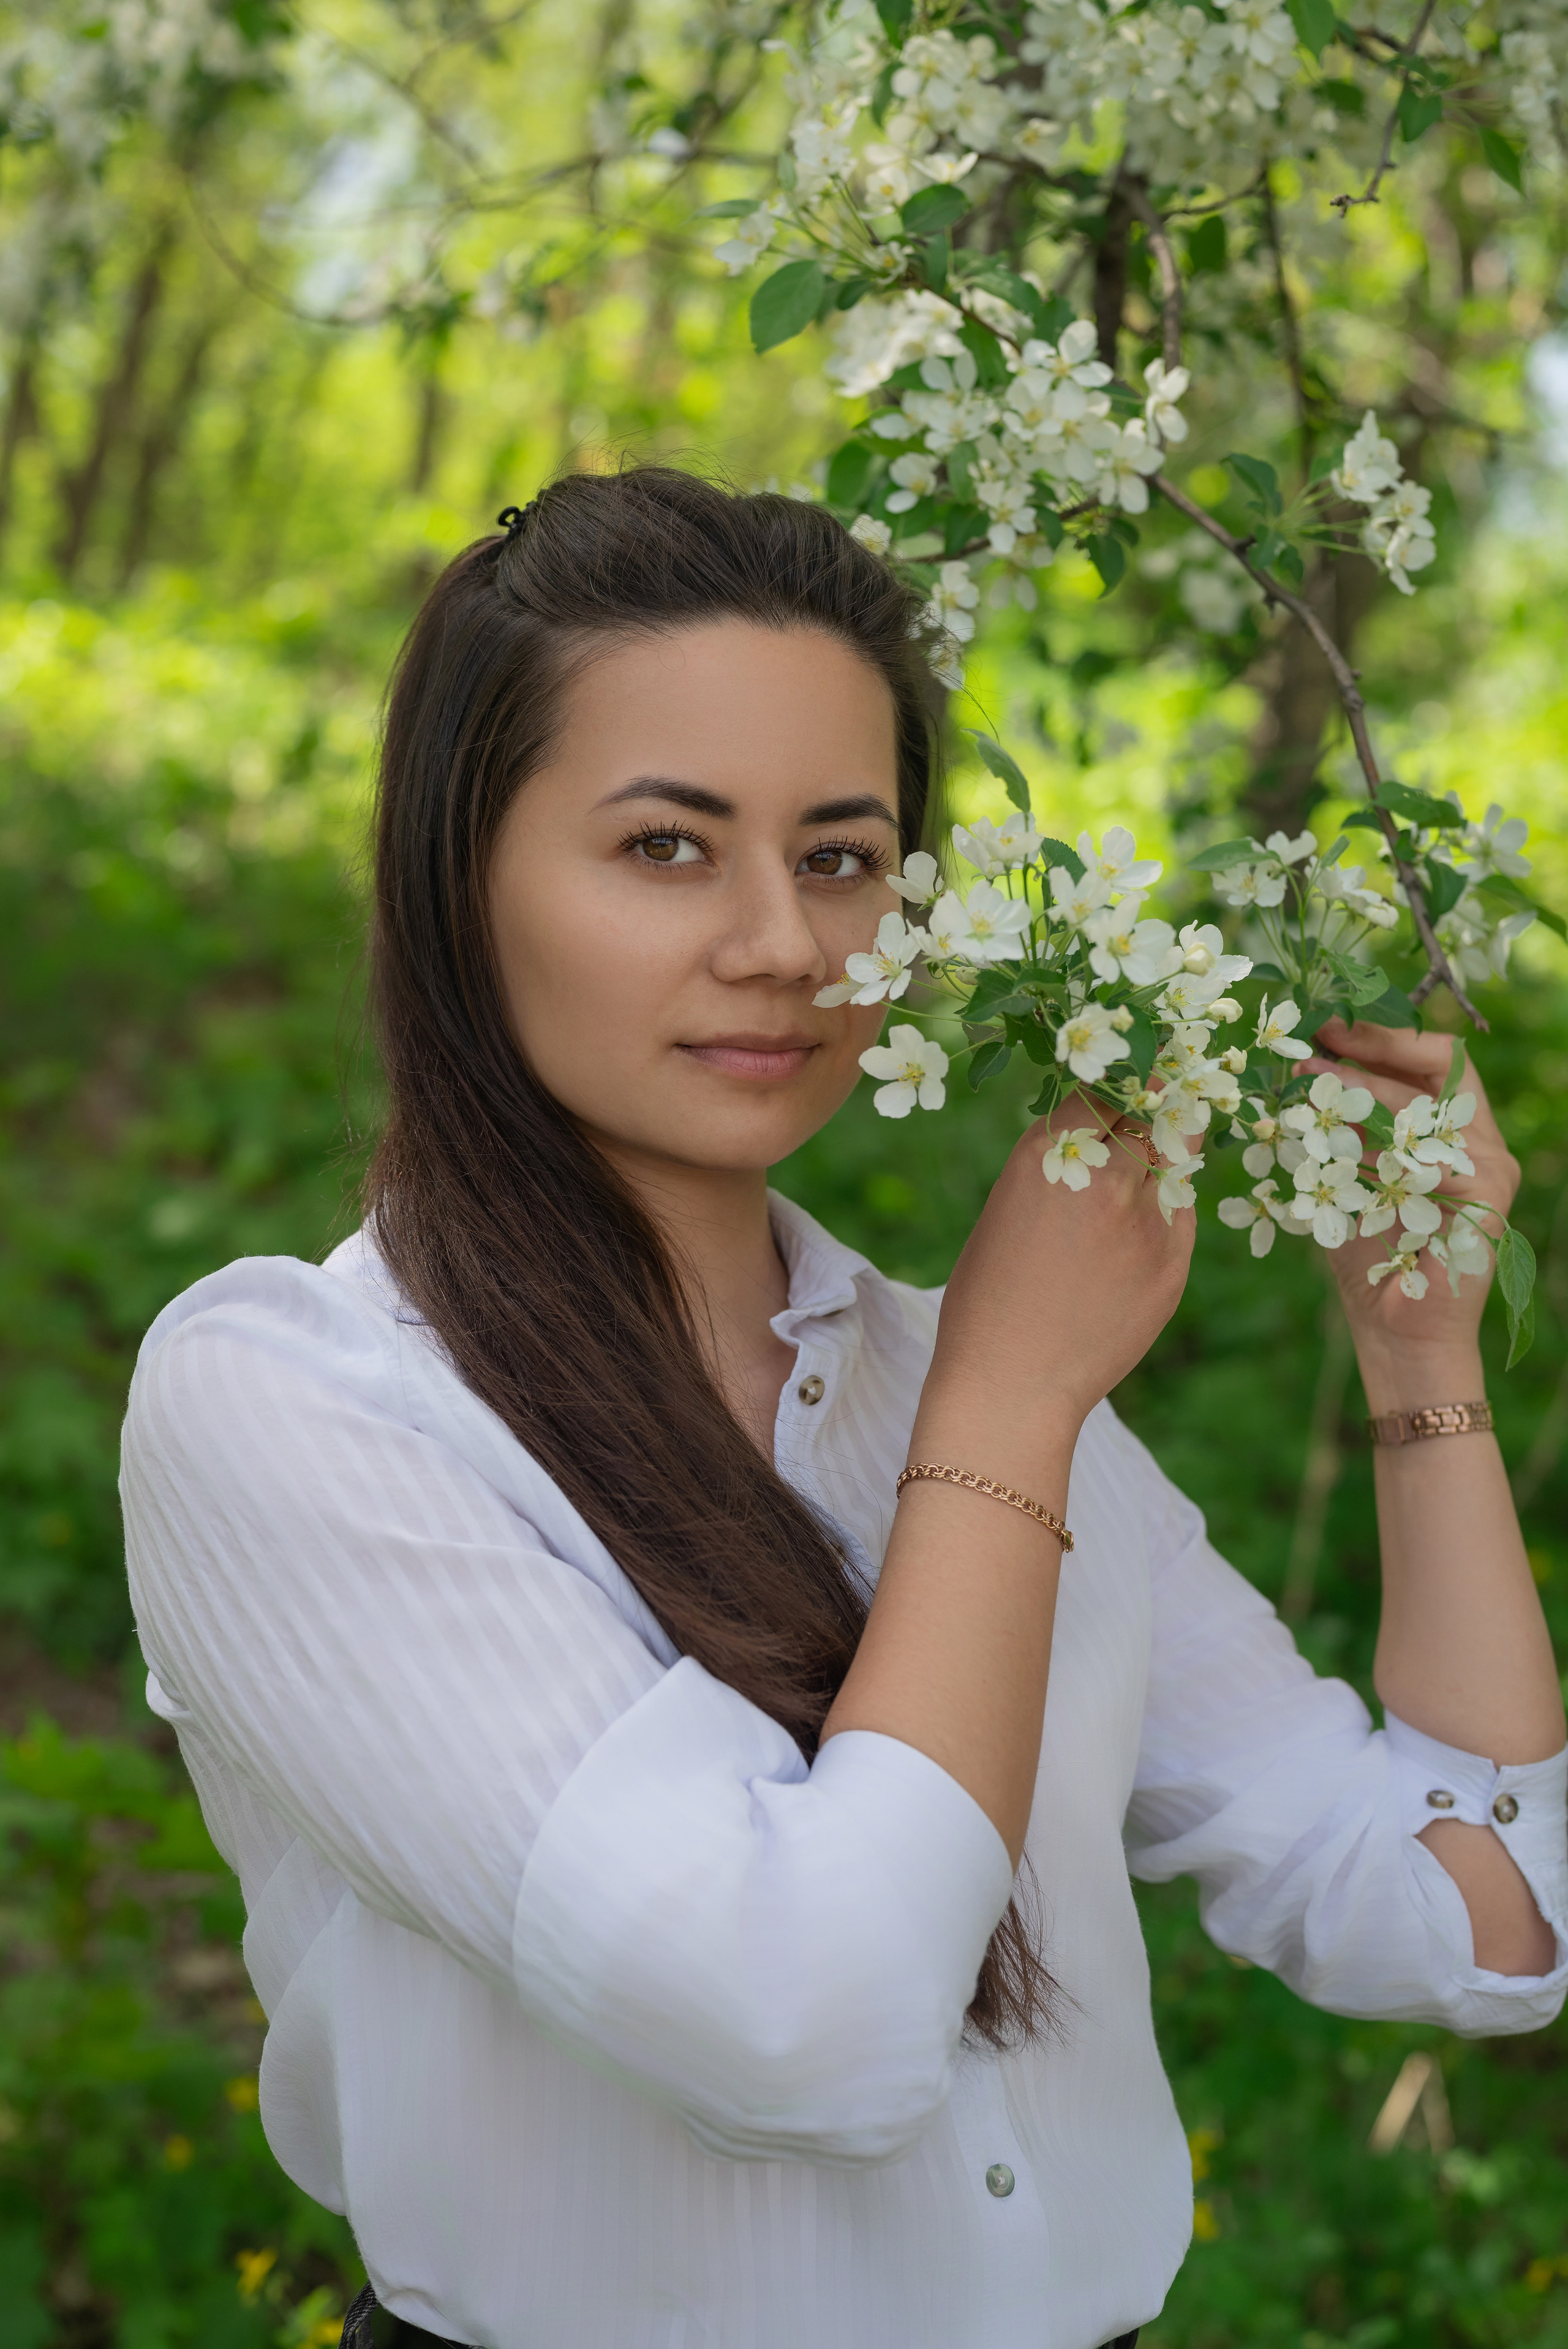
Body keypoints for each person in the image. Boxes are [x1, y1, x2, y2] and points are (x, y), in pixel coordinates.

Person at [120, 467, 1566, 2349]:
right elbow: (807, 2020)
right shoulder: (303, 1402)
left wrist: (1420, 1356)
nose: (786, 948)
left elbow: (1479, 1920)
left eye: (841, 854)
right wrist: (1012, 1405)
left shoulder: (950, 1380)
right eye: (664, 847)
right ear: (456, 872)